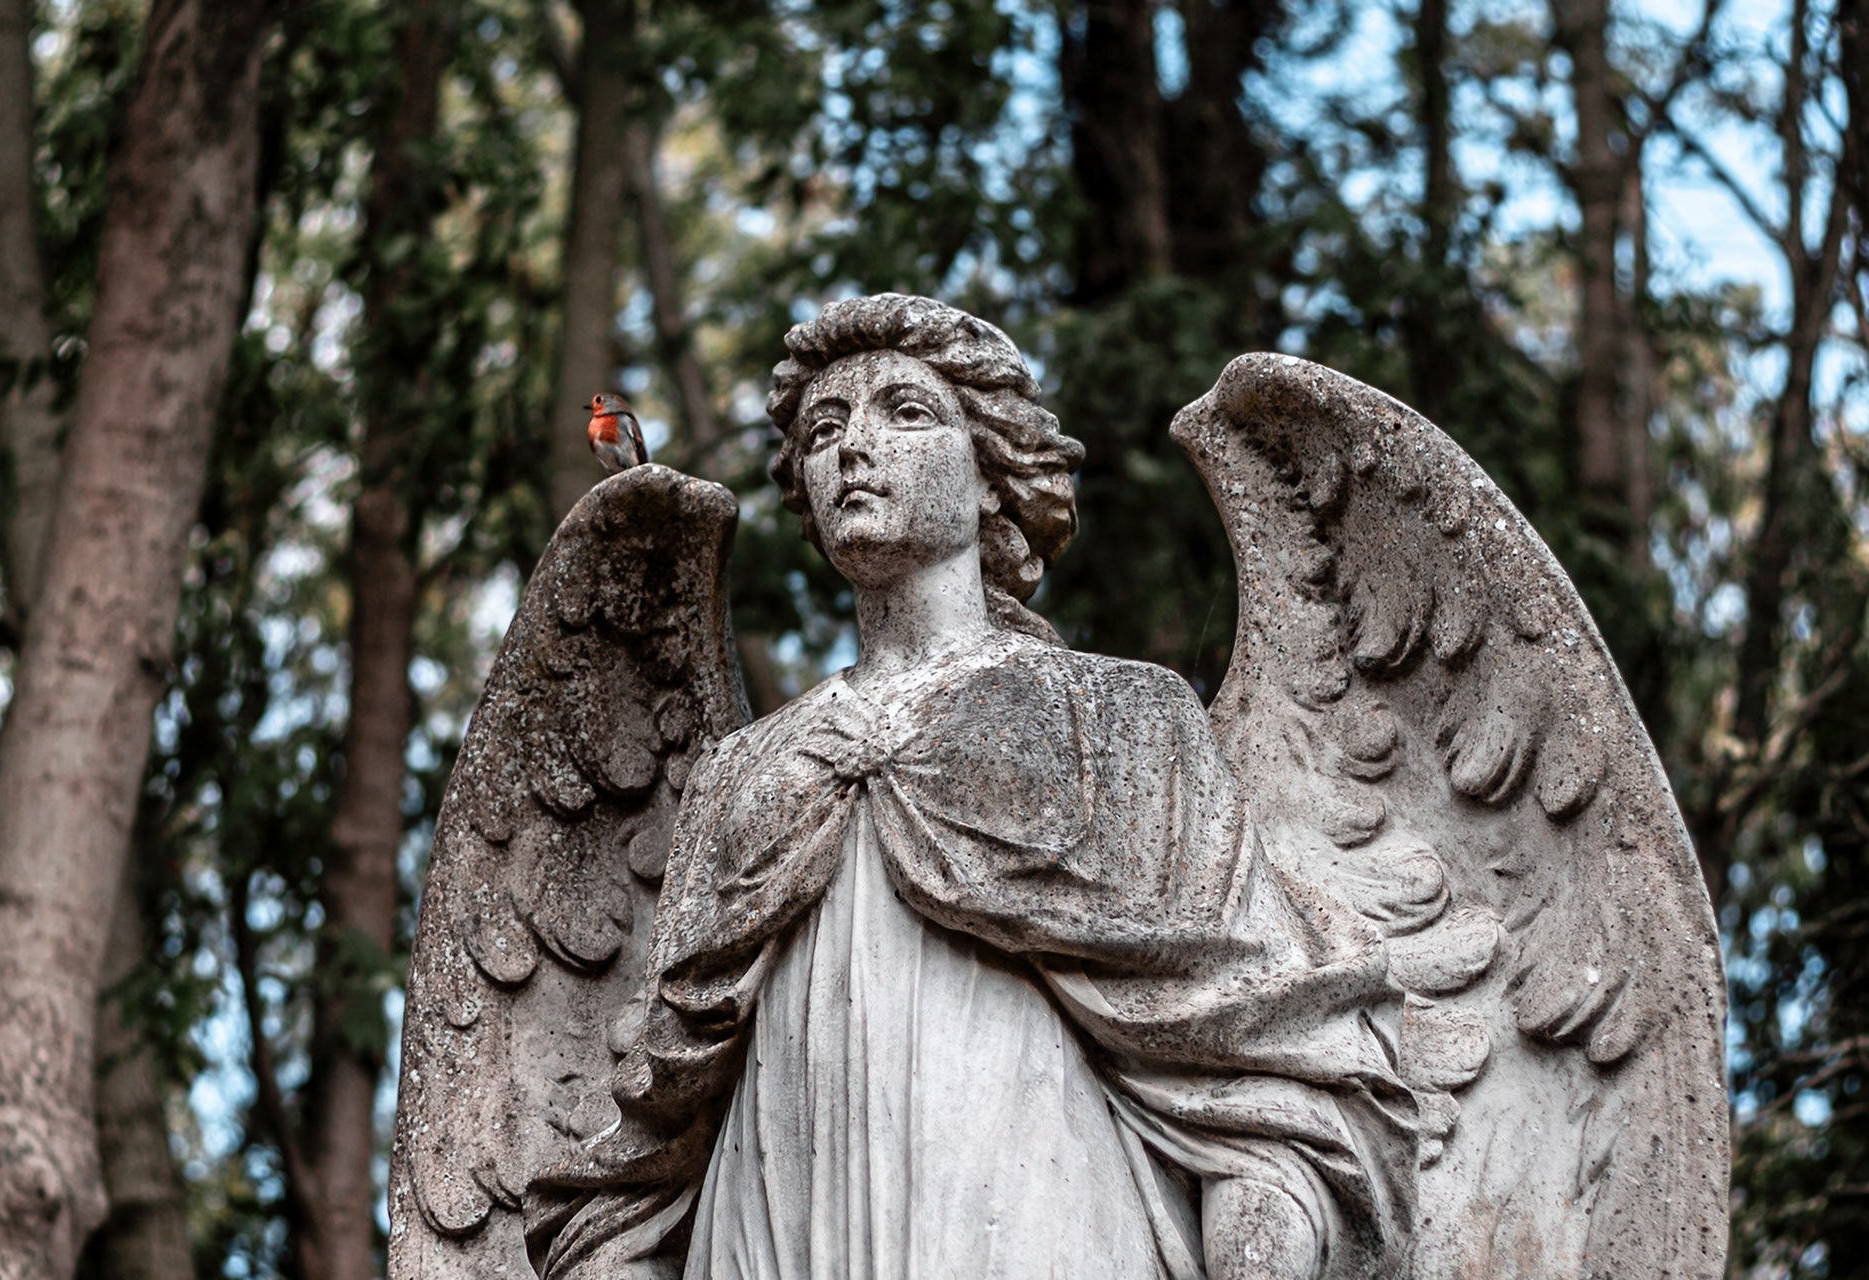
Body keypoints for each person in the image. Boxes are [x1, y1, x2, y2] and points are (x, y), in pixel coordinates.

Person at [526, 294, 1418, 1280]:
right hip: (774, 1221)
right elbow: (657, 1116)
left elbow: (1260, 1050)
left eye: (906, 412)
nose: (854, 446)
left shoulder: (1124, 719)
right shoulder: (742, 771)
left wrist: (1262, 1241)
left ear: (993, 474)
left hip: (1035, 1206)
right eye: (825, 428)